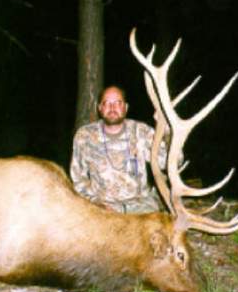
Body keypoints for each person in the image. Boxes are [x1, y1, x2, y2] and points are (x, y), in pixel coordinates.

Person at [70, 85, 167, 214]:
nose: (112, 108)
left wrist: (167, 133)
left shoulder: (141, 131)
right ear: (100, 108)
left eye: (118, 103)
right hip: (103, 210)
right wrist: (95, 203)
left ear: (125, 108)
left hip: (141, 207)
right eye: (107, 103)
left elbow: (167, 162)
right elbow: (78, 181)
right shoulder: (84, 136)